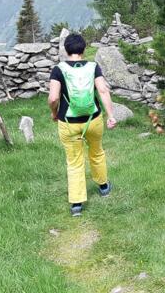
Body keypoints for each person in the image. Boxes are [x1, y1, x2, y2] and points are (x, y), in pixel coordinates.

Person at [48, 33, 117, 217]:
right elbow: (102, 90)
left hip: (68, 122)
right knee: (96, 152)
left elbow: (54, 97)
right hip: (92, 120)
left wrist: (54, 113)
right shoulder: (93, 67)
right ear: (84, 49)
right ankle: (103, 186)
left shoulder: (58, 69)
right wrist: (111, 115)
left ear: (66, 49)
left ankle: (77, 204)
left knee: (74, 161)